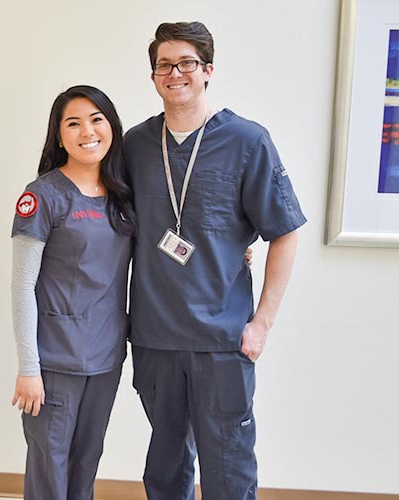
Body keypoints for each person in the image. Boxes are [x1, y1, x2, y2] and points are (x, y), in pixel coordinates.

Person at [124, 22, 305, 500]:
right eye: (164, 65)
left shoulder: (247, 141)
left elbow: (284, 233)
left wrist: (262, 323)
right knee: (164, 468)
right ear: (154, 76)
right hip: (154, 337)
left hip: (222, 340)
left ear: (207, 71)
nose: (175, 73)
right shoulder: (135, 146)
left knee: (229, 466)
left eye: (186, 63)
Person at [10, 85, 135, 500]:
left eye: (97, 119)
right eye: (74, 123)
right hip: (56, 360)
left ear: (111, 126)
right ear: (59, 135)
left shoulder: (123, 194)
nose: (88, 131)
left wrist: (232, 252)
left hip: (107, 354)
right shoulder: (42, 195)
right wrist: (29, 367)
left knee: (86, 460)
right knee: (51, 464)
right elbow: (22, 284)